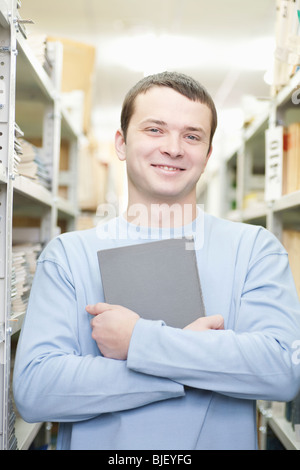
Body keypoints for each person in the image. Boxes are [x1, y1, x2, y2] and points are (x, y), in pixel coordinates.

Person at [13, 71, 300, 450]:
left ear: (208, 154)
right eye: (154, 130)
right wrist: (191, 362)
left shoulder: (255, 249)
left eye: (192, 136)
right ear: (121, 142)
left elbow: (281, 370)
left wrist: (140, 342)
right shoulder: (69, 255)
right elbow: (37, 390)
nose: (174, 148)